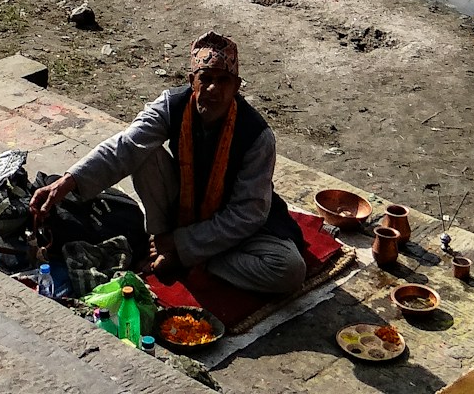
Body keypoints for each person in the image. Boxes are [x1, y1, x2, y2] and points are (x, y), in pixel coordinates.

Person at [29, 32, 305, 295]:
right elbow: (124, 147)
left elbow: (247, 215)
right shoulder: (172, 105)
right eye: (205, 78)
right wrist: (67, 182)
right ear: (191, 81)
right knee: (142, 152)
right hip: (182, 208)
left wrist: (179, 245)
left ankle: (184, 257)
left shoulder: (257, 135)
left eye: (223, 81)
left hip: (234, 226)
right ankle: (161, 245)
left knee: (289, 270)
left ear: (236, 87)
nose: (212, 89)